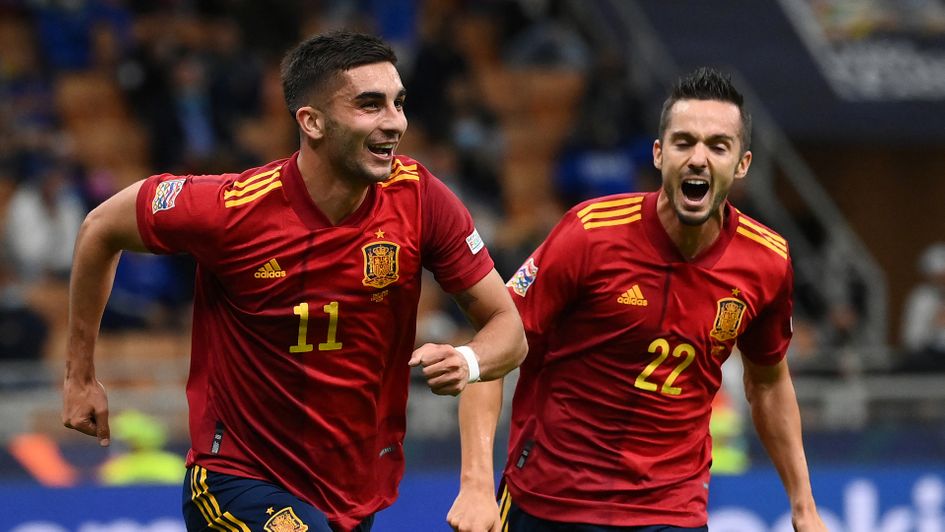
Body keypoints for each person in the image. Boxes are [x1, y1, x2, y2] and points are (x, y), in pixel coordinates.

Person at [61, 31, 526, 532]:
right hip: (238, 475)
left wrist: (468, 360)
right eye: (370, 105)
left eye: (398, 103)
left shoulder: (420, 198)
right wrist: (79, 375)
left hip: (350, 489)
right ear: (312, 121)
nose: (395, 122)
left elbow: (508, 328)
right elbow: (99, 228)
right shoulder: (231, 209)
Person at [454, 67, 826, 531]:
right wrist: (474, 484)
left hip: (669, 511)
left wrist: (804, 505)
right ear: (658, 153)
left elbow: (768, 382)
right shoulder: (589, 233)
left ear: (743, 164)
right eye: (684, 142)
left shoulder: (768, 262)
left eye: (718, 146)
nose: (698, 158)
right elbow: (492, 344)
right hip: (549, 501)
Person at [899, 241, 945, 371]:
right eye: (939, 277)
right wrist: (934, 324)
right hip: (930, 359)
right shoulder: (921, 298)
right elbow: (912, 341)